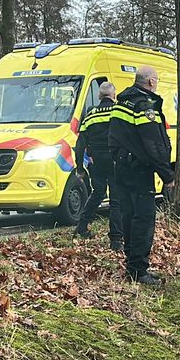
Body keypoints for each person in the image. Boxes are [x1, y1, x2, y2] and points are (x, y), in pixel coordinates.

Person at [109, 67, 174, 287]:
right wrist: (166, 174)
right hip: (139, 169)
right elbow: (153, 143)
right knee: (144, 219)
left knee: (128, 215)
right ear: (150, 82)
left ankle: (132, 262)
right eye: (155, 80)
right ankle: (138, 269)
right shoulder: (144, 106)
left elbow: (114, 136)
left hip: (122, 167)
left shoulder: (122, 102)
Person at [73, 82, 122, 251]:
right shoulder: (119, 111)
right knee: (116, 200)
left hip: (97, 162)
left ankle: (82, 226)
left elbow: (80, 144)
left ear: (100, 96)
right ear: (114, 95)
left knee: (97, 194)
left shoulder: (90, 114)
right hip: (116, 161)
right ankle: (116, 240)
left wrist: (80, 168)